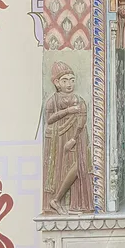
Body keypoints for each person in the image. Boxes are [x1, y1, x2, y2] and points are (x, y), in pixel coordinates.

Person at [43, 61, 93, 215]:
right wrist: (68, 111)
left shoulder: (79, 99)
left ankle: (67, 202)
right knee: (61, 168)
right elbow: (49, 119)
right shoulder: (53, 100)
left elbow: (82, 119)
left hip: (76, 138)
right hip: (58, 138)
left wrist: (74, 139)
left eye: (72, 79)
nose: (69, 84)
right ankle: (57, 201)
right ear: (57, 83)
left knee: (79, 166)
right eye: (65, 80)